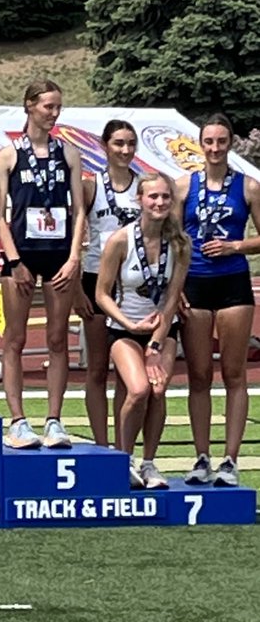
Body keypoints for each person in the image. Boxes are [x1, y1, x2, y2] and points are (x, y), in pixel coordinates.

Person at [0, 80, 85, 449]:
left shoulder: (70, 154)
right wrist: (14, 261)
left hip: (59, 253)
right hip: (22, 255)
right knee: (14, 339)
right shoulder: (8, 155)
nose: (54, 113)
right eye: (48, 106)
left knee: (57, 339)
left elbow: (79, 211)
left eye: (58, 107)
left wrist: (75, 257)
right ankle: (17, 421)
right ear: (29, 105)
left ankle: (54, 421)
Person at [175, 113, 260, 486]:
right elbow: (174, 241)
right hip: (194, 284)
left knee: (234, 373)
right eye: (208, 141)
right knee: (198, 375)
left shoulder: (249, 187)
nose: (214, 148)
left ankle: (230, 459)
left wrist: (235, 245)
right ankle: (201, 456)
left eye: (221, 141)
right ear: (200, 144)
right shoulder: (182, 186)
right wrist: (174, 285)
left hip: (233, 285)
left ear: (229, 143)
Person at [96, 173, 191, 489]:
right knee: (138, 390)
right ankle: (123, 460)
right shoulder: (120, 240)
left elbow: (173, 297)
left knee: (158, 389)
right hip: (124, 328)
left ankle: (149, 463)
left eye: (165, 196)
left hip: (161, 330)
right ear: (140, 200)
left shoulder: (180, 244)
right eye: (153, 197)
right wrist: (128, 323)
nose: (160, 202)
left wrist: (155, 342)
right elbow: (102, 294)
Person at [76, 120, 141, 446]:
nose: (125, 150)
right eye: (118, 143)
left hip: (133, 284)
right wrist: (76, 288)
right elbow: (75, 237)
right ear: (105, 146)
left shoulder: (144, 187)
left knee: (129, 377)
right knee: (98, 369)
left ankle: (123, 446)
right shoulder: (91, 187)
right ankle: (102, 445)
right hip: (95, 281)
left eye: (131, 143)